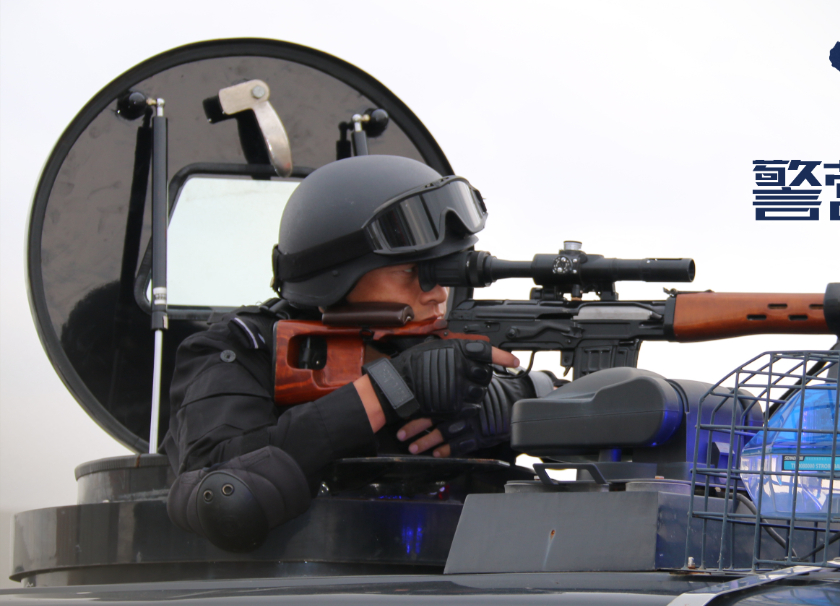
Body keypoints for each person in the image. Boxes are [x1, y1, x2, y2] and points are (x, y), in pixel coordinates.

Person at [165, 155, 557, 551]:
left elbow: (575, 407)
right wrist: (387, 390)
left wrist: (517, 401)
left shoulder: (443, 354)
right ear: (335, 276)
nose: (437, 293)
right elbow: (216, 489)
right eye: (411, 271)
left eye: (443, 271)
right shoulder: (241, 351)